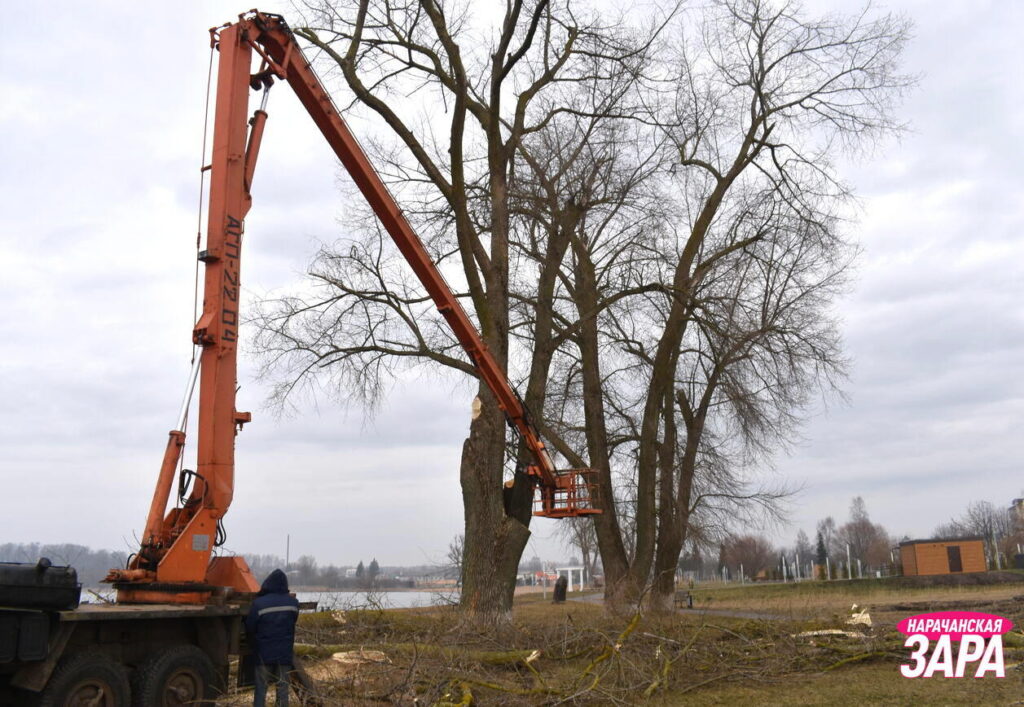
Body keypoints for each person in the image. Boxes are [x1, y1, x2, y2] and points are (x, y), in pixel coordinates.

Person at [245, 569, 299, 707]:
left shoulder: (259, 604)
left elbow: (250, 626)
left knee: (261, 691)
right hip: (284, 654)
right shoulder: (293, 604)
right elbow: (293, 622)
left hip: (264, 655)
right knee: (282, 690)